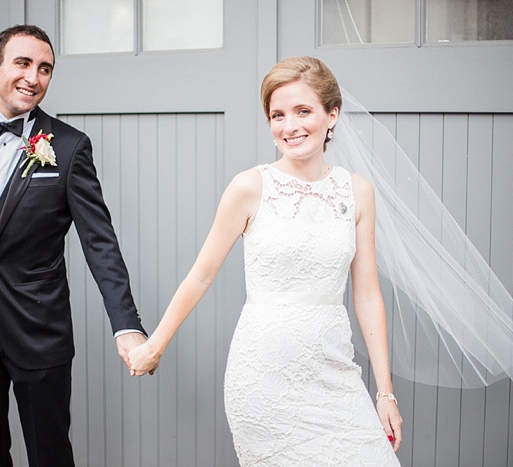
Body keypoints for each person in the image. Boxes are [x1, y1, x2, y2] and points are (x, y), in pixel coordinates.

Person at [128, 56, 402, 465]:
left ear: (332, 115)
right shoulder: (250, 187)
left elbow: (366, 295)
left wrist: (384, 392)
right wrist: (155, 345)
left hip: (335, 370)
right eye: (277, 115)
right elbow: (201, 276)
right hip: (263, 377)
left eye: (303, 111)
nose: (289, 126)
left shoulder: (357, 191)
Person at [0, 25, 147, 466]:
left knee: (49, 455)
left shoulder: (68, 147)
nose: (34, 77)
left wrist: (127, 325)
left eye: (45, 68)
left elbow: (99, 241)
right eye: (23, 63)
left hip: (37, 330)